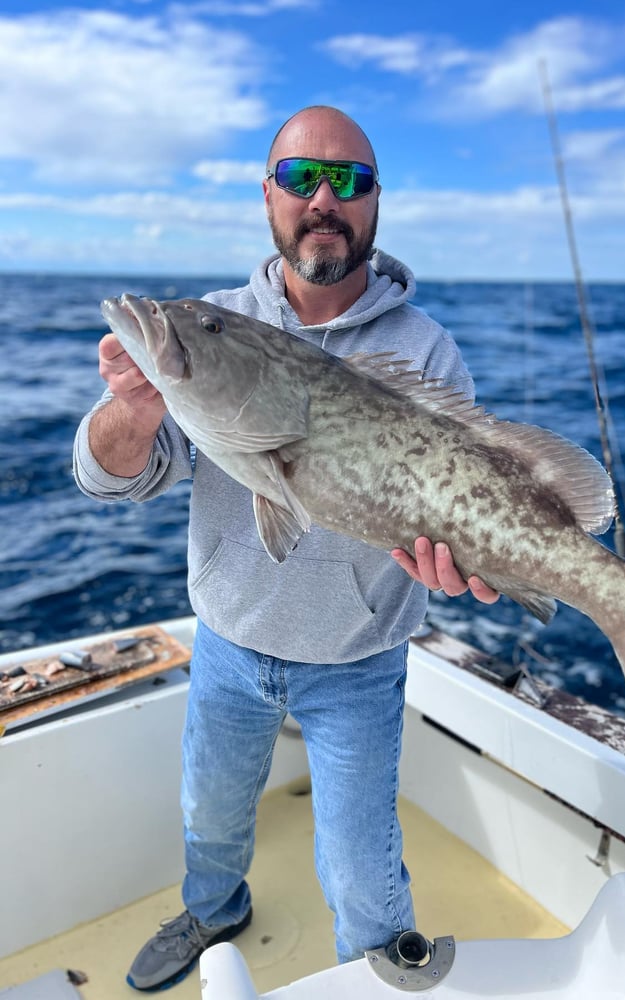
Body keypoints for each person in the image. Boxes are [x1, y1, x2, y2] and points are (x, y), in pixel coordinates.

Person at [73, 105, 498, 992]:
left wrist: (464, 567)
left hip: (357, 660)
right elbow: (108, 477)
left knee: (359, 864)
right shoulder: (211, 324)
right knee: (210, 815)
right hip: (227, 644)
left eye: (350, 180)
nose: (324, 198)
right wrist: (135, 410)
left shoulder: (425, 350)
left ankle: (380, 969)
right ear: (268, 194)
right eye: (302, 177)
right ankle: (214, 909)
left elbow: (469, 501)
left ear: (377, 203)